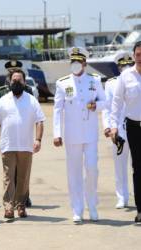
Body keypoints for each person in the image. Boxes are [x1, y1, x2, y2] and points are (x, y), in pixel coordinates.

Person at [53, 47, 106, 223]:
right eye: (72, 61)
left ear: (84, 63)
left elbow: (105, 102)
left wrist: (95, 106)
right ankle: (77, 209)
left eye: (78, 61)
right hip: (72, 135)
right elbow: (57, 110)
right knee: (74, 172)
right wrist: (57, 133)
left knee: (92, 169)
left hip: (90, 134)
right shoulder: (63, 83)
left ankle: (92, 205)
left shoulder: (95, 81)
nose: (75, 64)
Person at [0, 69, 45, 219]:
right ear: (9, 82)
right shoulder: (3, 100)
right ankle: (8, 207)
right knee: (8, 177)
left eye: (19, 80)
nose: (16, 83)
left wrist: (38, 140)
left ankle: (21, 206)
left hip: (26, 146)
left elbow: (39, 121)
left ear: (24, 82)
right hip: (8, 145)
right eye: (13, 80)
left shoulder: (31, 100)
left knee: (23, 178)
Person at [0, 60, 34, 208]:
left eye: (16, 70)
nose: (13, 73)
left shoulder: (27, 89)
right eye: (11, 71)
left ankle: (24, 198)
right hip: (9, 134)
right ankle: (10, 200)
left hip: (23, 133)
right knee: (10, 171)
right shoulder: (2, 90)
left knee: (23, 169)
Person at [110, 41, 141, 223]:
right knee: (138, 168)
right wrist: (113, 125)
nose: (140, 57)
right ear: (133, 55)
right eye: (138, 54)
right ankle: (140, 209)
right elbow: (116, 102)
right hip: (133, 127)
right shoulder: (126, 76)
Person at [102, 51, 134, 209]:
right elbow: (107, 108)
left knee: (137, 164)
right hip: (118, 130)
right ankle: (122, 197)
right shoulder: (111, 83)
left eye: (128, 65)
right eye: (123, 66)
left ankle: (137, 193)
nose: (126, 68)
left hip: (136, 128)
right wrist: (107, 126)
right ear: (118, 67)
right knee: (119, 165)